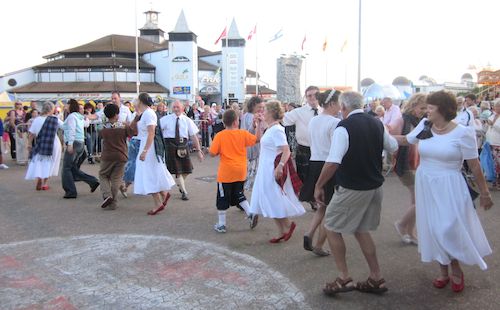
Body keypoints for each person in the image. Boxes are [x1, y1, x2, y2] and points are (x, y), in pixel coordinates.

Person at [395, 90, 493, 293]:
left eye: (430, 107)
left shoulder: (463, 133)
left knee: (446, 228)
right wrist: (378, 134)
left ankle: (455, 268)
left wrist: (484, 192)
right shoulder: (425, 125)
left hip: (450, 185)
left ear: (443, 109)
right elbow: (406, 140)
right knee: (431, 227)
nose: (426, 111)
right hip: (426, 182)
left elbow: (474, 165)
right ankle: (443, 271)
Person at [314, 91, 398, 296]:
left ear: (343, 107)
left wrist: (319, 185)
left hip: (353, 187)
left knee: (331, 227)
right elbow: (393, 146)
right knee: (360, 229)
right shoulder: (377, 123)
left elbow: (334, 161)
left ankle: (343, 277)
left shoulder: (344, 127)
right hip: (374, 186)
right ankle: (376, 277)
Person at [250, 100, 305, 243]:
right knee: (269, 199)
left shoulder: (277, 130)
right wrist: (258, 125)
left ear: (272, 113)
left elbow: (286, 151)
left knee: (272, 198)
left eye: (265, 110)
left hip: (271, 169)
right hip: (265, 168)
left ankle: (287, 226)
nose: (263, 112)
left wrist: (280, 166)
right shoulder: (271, 128)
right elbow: (260, 140)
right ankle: (282, 230)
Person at [302, 90, 341, 257]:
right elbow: (336, 148)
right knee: (331, 208)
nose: (341, 106)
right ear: (332, 103)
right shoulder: (335, 122)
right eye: (339, 102)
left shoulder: (314, 121)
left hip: (315, 162)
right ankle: (318, 244)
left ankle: (309, 233)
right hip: (329, 165)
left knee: (323, 205)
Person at [209, 109, 261, 233]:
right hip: (240, 170)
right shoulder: (242, 133)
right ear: (236, 122)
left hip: (226, 172)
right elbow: (257, 139)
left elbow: (212, 153)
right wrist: (258, 125)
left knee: (222, 197)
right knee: (239, 194)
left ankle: (221, 224)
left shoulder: (220, 135)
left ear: (224, 122)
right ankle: (250, 213)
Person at [393, 93, 427, 245]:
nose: (424, 111)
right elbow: (390, 137)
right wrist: (406, 141)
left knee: (416, 200)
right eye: (422, 108)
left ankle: (410, 232)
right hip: (405, 164)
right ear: (413, 105)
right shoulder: (402, 119)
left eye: (426, 108)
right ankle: (401, 225)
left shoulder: (422, 121)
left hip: (418, 163)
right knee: (420, 199)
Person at [134, 93, 176, 215]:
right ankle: (164, 194)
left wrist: (145, 151)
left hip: (149, 146)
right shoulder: (145, 113)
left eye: (137, 100)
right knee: (152, 172)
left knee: (148, 174)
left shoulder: (148, 113)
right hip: (146, 144)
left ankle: (158, 202)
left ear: (141, 101)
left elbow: (151, 133)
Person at [283, 85, 322, 210]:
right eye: (309, 95)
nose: (312, 98)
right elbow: (284, 120)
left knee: (319, 175)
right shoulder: (299, 112)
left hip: (321, 149)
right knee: (304, 175)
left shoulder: (324, 111)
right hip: (304, 149)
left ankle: (317, 198)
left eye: (314, 95)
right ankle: (310, 198)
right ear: (306, 97)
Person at [160, 100, 204, 201]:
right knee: (178, 171)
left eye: (177, 107)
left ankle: (180, 184)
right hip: (170, 146)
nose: (175, 109)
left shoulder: (187, 120)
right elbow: (158, 132)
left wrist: (198, 151)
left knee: (187, 169)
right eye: (174, 107)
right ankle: (184, 191)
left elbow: (193, 136)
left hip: (183, 146)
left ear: (182, 108)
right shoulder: (165, 119)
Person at [98, 103, 139, 210]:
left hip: (107, 155)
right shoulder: (123, 126)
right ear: (117, 114)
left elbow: (100, 136)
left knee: (103, 175)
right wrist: (134, 121)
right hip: (121, 155)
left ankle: (107, 196)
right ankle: (113, 202)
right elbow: (132, 133)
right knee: (116, 178)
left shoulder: (103, 127)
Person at [61, 99, 100, 199]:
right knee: (73, 167)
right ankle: (92, 181)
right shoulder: (78, 116)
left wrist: (69, 144)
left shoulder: (71, 117)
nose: (65, 106)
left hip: (74, 143)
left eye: (67, 105)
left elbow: (71, 130)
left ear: (70, 106)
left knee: (66, 168)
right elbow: (86, 124)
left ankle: (70, 191)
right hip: (80, 143)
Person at [25, 102, 63, 190]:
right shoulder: (55, 119)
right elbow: (64, 126)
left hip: (41, 142)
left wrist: (29, 144)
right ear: (51, 109)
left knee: (41, 162)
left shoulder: (37, 119)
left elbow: (31, 134)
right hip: (53, 142)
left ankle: (39, 178)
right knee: (51, 162)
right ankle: (45, 183)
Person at [241, 96, 265, 191]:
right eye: (259, 107)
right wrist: (254, 125)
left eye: (263, 107)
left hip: (254, 148)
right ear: (253, 106)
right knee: (253, 171)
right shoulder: (249, 116)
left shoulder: (246, 115)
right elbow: (247, 132)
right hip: (252, 148)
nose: (261, 109)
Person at [120, 100, 142, 198]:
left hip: (139, 141)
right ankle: (125, 185)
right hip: (137, 141)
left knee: (134, 164)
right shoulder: (136, 115)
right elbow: (132, 128)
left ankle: (125, 186)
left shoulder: (146, 114)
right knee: (133, 164)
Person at [485, 100, 500, 190]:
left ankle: (498, 183)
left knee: (498, 164)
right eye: (495, 106)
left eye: (497, 106)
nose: (495, 108)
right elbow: (488, 127)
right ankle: (494, 182)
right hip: (490, 142)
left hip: (498, 143)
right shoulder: (493, 116)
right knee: (493, 164)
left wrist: (493, 124)